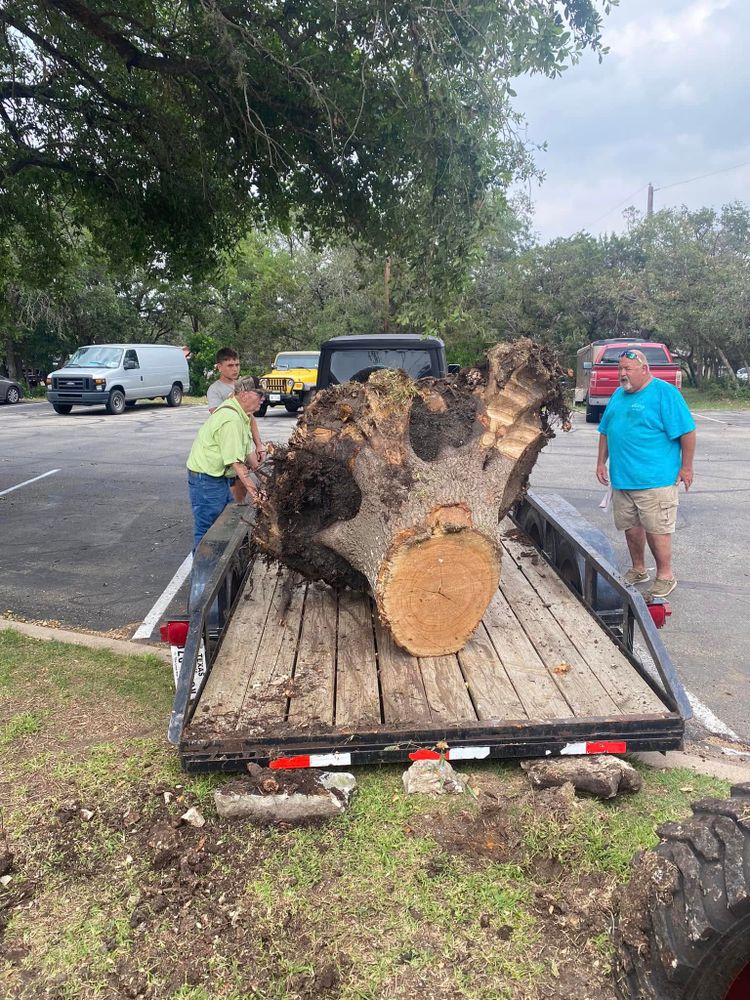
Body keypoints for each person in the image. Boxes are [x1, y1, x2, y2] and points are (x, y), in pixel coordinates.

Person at [596, 348, 696, 599]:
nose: (622, 374)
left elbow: (687, 432)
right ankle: (638, 569)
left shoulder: (665, 393)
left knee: (656, 529)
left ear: (644, 369)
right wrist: (600, 463)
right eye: (620, 369)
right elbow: (605, 431)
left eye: (627, 369)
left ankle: (665, 576)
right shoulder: (618, 395)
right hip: (623, 478)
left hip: (655, 480)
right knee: (631, 528)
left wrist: (686, 467)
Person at [187, 376, 267, 549]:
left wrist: (265, 478)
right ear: (244, 395)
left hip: (217, 478)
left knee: (222, 524)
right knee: (208, 530)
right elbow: (236, 463)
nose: (263, 399)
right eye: (259, 395)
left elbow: (247, 452)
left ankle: (215, 566)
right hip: (206, 480)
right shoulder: (231, 419)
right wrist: (255, 494)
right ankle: (204, 574)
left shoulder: (242, 414)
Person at [207, 347, 265, 501]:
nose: (235, 369)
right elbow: (221, 419)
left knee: (243, 484)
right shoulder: (215, 390)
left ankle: (240, 508)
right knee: (234, 482)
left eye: (237, 365)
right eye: (230, 365)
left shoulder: (243, 384)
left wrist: (258, 444)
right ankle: (232, 514)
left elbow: (250, 418)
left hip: (242, 442)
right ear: (219, 367)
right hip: (229, 445)